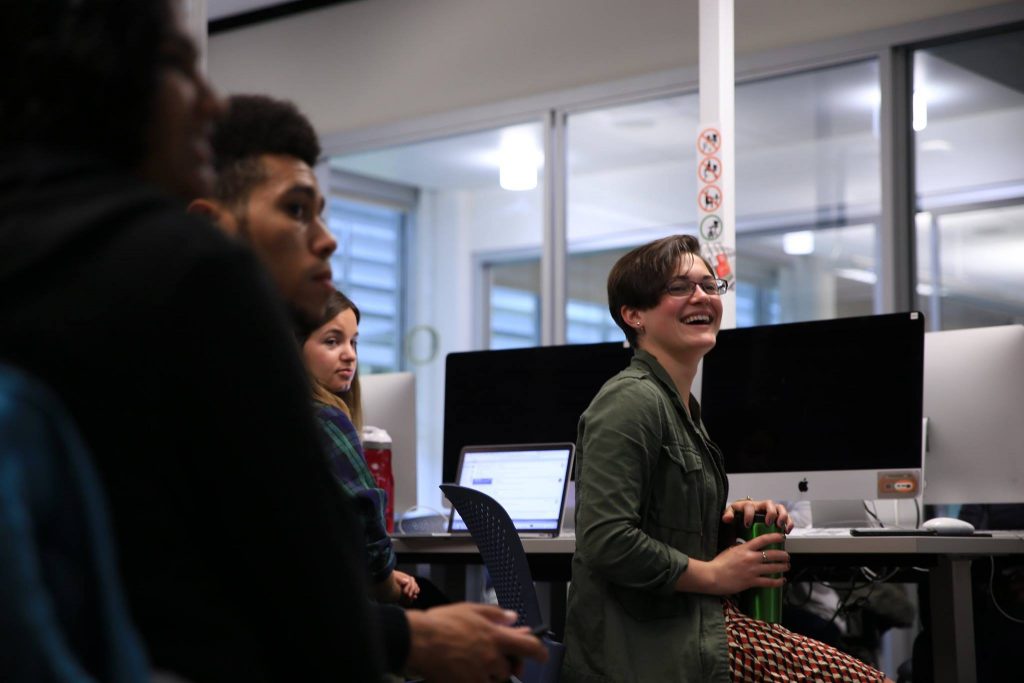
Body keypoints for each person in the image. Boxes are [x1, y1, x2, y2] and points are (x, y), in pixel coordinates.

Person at [1, 4, 544, 682]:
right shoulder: (189, 271)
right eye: (179, 67)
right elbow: (302, 593)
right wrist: (410, 641)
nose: (206, 101)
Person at [189, 93, 543, 679]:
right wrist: (406, 636)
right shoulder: (192, 405)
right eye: (298, 210)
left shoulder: (251, 401)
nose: (326, 240)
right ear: (212, 227)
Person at [561, 235, 892, 683]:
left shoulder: (681, 408)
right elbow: (607, 541)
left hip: (696, 623)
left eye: (709, 285)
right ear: (634, 315)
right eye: (679, 287)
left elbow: (656, 520)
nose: (701, 295)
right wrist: (716, 574)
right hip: (656, 646)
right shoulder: (629, 402)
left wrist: (725, 523)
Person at [302, 290, 424, 606]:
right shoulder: (326, 420)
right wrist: (385, 583)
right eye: (332, 341)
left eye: (353, 342)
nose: (350, 355)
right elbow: (366, 529)